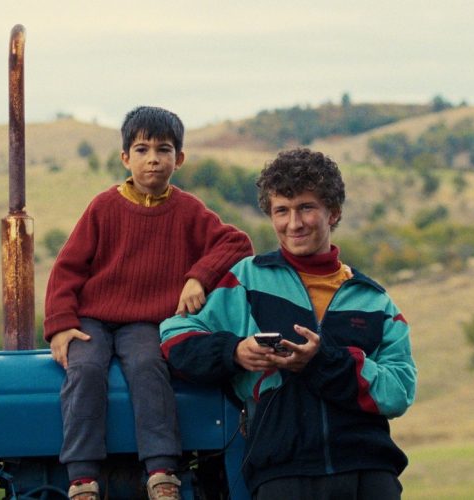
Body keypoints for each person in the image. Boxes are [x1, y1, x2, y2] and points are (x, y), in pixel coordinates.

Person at [160, 147, 416, 499]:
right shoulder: (247, 280)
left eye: (306, 208)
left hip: (369, 474)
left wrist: (322, 361)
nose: (293, 223)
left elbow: (399, 391)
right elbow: (174, 336)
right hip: (281, 473)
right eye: (282, 210)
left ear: (333, 212)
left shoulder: (375, 301)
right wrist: (235, 352)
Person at [44, 106, 254, 500]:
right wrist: (59, 325)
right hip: (92, 318)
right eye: (142, 150)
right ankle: (82, 475)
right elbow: (68, 267)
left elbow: (237, 243)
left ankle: (161, 470)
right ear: (125, 158)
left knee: (148, 367)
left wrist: (199, 276)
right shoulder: (104, 207)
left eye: (163, 150)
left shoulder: (188, 210)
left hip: (145, 322)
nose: (153, 159)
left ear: (180, 158)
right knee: (84, 368)